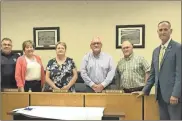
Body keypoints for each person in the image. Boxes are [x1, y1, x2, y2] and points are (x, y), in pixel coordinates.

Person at [133, 21, 181, 120]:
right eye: (160, 30)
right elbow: (153, 74)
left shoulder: (178, 48)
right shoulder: (156, 51)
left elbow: (180, 73)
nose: (163, 32)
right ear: (157, 32)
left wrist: (175, 94)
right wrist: (144, 90)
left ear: (170, 31)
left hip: (173, 97)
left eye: (165, 29)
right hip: (160, 96)